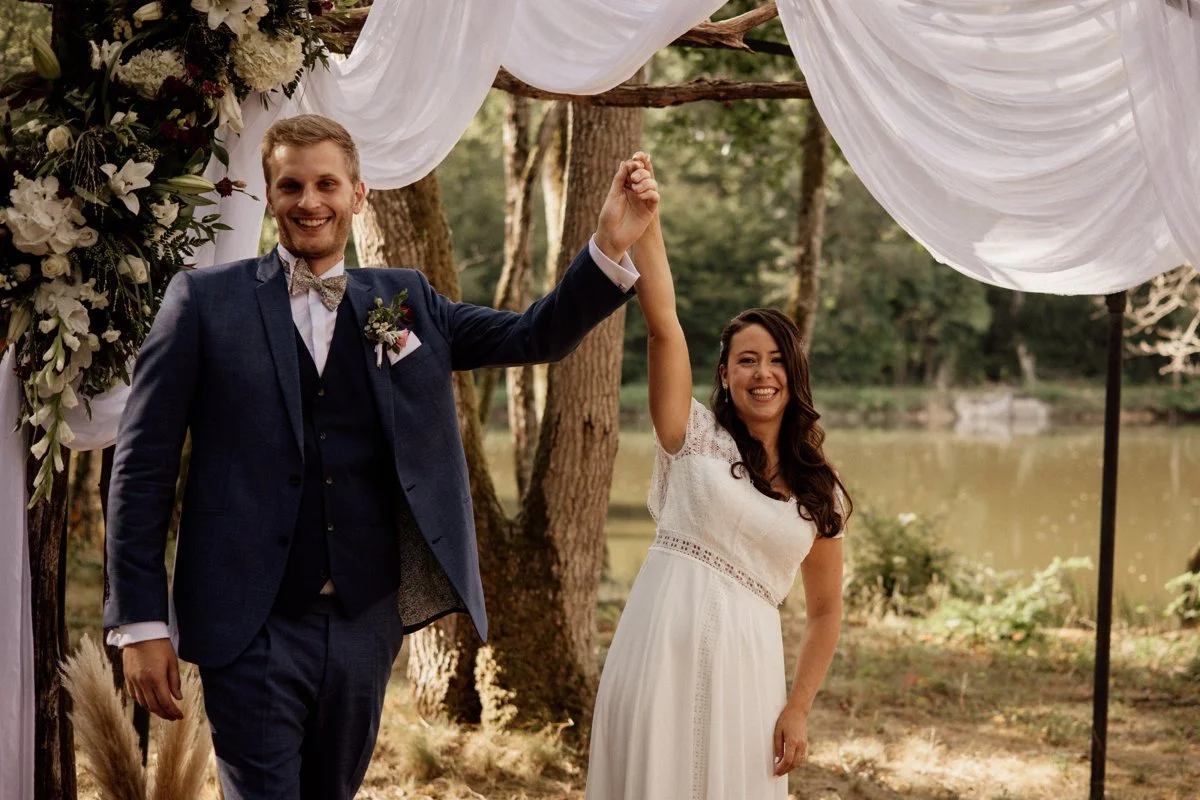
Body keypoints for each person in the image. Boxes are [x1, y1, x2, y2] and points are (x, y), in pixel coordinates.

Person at [103, 114, 659, 800]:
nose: (310, 201)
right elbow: (141, 467)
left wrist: (606, 245)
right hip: (246, 621)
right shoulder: (203, 302)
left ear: (358, 196)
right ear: (269, 196)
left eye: (326, 184)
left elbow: (533, 336)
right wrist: (139, 623)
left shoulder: (403, 302)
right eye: (291, 186)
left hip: (365, 624)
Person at [585, 155, 851, 798]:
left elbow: (824, 611)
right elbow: (664, 328)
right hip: (659, 650)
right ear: (726, 376)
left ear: (794, 374)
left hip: (747, 669)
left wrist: (798, 707)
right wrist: (648, 223)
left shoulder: (821, 491)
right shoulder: (694, 437)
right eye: (746, 361)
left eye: (774, 361)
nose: (762, 374)